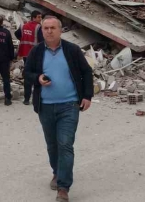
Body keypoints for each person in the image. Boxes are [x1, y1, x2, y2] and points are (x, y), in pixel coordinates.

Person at [24, 16, 93, 202]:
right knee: (52, 145)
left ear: (60, 30)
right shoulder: (36, 51)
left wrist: (87, 96)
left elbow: (87, 72)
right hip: (45, 106)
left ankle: (63, 187)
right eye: (45, 28)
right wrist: (37, 78)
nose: (49, 31)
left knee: (65, 144)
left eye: (52, 28)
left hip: (69, 105)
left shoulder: (72, 50)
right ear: (42, 31)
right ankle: (56, 172)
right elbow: (27, 73)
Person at [15, 11, 44, 105]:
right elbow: (42, 41)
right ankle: (36, 99)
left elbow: (17, 34)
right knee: (36, 76)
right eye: (39, 17)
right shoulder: (39, 27)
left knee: (27, 76)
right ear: (33, 18)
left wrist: (23, 39)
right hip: (35, 55)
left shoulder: (23, 26)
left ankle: (26, 99)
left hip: (25, 54)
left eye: (41, 17)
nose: (40, 19)